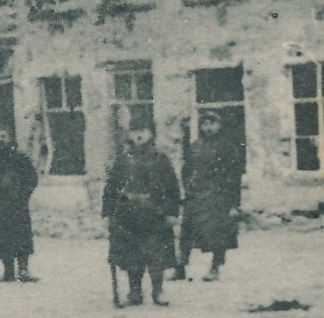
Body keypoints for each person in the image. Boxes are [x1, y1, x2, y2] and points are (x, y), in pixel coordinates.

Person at [101, 124, 180, 307]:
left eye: (142, 131)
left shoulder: (160, 159)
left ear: (150, 134)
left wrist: (172, 212)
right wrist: (107, 213)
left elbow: (172, 188)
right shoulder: (122, 160)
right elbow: (110, 189)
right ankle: (135, 291)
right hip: (128, 215)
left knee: (156, 254)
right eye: (135, 131)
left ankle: (158, 291)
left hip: (155, 214)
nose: (138, 135)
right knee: (132, 255)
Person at [178, 109, 244, 282]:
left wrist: (234, 204)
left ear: (219, 125)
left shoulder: (228, 147)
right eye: (204, 124)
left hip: (218, 196)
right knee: (187, 230)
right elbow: (186, 169)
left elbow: (234, 177)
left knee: (218, 233)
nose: (208, 127)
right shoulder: (195, 146)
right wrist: (188, 188)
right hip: (196, 196)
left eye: (211, 123)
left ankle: (215, 267)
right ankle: (180, 268)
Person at [0, 127, 39, 283]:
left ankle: (23, 270)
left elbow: (32, 179)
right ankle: (8, 272)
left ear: (10, 138)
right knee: (2, 239)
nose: (1, 139)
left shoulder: (20, 160)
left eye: (3, 136)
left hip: (18, 206)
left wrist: (23, 196)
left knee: (22, 238)